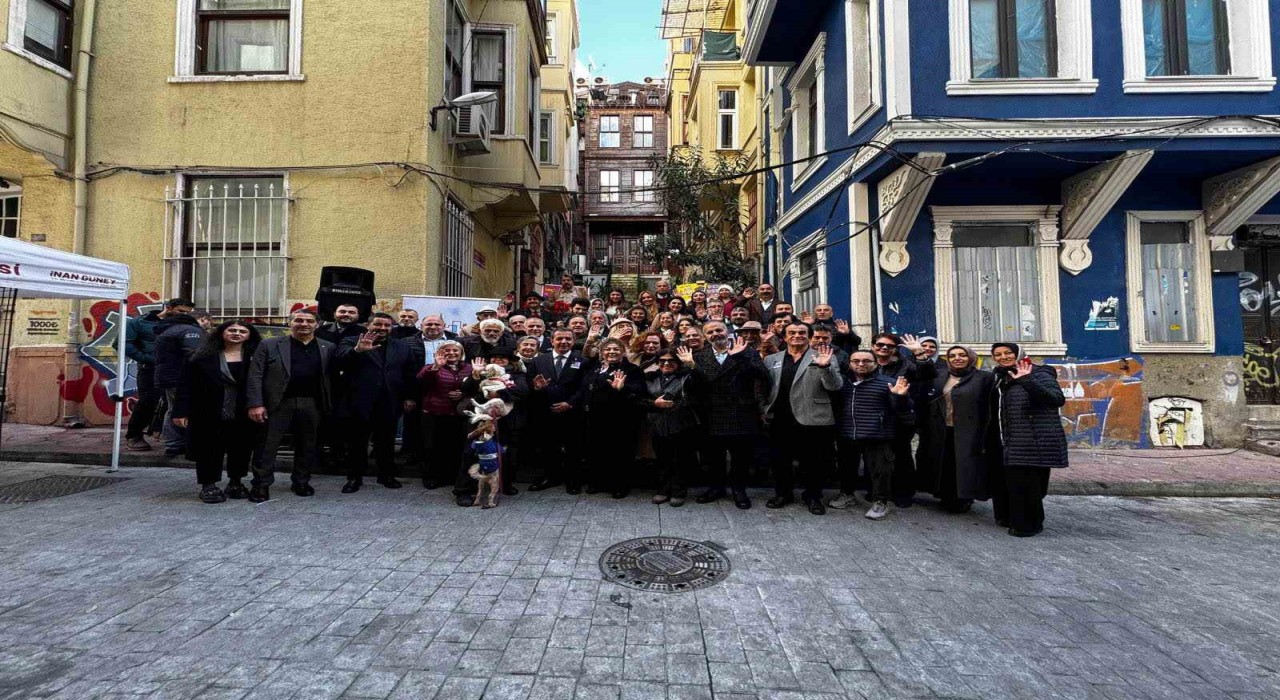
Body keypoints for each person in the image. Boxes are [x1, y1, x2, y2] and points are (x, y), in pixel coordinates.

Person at [246, 309, 335, 502]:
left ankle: (301, 481)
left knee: (307, 445)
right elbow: (255, 375)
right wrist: (256, 404)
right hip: (277, 403)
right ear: (289, 323)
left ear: (317, 325)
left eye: (309, 321)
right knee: (267, 445)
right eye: (299, 320)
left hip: (312, 403)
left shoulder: (327, 347)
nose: (304, 324)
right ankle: (261, 485)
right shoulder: (269, 344)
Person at [172, 320, 262, 503]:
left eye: (242, 331)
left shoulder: (257, 356)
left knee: (241, 448)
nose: (237, 334)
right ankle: (208, 485)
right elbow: (185, 385)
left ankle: (235, 482)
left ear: (249, 335)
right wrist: (180, 411)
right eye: (232, 330)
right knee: (208, 448)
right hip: (207, 410)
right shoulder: (201, 356)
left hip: (243, 411)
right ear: (221, 332)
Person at [761, 322, 842, 514]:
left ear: (809, 336)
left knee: (813, 462)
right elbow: (765, 386)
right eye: (792, 332)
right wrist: (764, 408)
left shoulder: (824, 356)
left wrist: (825, 367)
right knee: (780, 460)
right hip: (780, 417)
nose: (797, 335)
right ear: (784, 337)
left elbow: (835, 386)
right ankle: (783, 494)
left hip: (812, 417)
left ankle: (813, 497)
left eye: (801, 332)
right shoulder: (771, 359)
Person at [990, 343, 1067, 537]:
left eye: (1008, 352)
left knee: (1027, 485)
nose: (1003, 357)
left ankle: (1028, 525)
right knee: (1011, 483)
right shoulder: (1000, 377)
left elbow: (1056, 399)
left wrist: (1027, 380)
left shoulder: (1039, 373)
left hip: (1032, 439)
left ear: (1019, 354)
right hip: (1009, 439)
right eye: (998, 354)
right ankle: (1009, 518)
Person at [337, 313, 420, 493]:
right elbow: (339, 361)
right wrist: (357, 351)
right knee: (357, 442)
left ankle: (386, 475)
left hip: (390, 401)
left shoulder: (402, 346)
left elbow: (409, 373)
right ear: (368, 325)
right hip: (359, 401)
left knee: (386, 441)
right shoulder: (351, 341)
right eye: (378, 324)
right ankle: (354, 477)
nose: (382, 328)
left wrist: (409, 397)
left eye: (387, 325)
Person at [831, 350, 913, 520]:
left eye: (866, 361)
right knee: (846, 468)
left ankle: (880, 502)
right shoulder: (842, 382)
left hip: (877, 435)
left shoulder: (888, 383)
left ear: (876, 363)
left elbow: (902, 410)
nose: (861, 364)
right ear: (850, 363)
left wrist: (901, 397)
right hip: (847, 433)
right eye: (856, 361)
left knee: (880, 472)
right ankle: (847, 494)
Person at [692, 323, 767, 509]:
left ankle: (738, 490)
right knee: (713, 456)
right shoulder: (698, 356)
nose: (715, 334)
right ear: (705, 337)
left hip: (740, 412)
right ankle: (716, 487)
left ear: (728, 332)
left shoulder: (746, 352)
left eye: (719, 330)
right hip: (712, 413)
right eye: (710, 332)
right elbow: (699, 384)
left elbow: (762, 376)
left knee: (740, 457)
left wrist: (740, 358)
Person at [916, 345, 995, 514]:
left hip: (969, 430)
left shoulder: (984, 377)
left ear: (971, 358)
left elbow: (990, 405)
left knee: (965, 465)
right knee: (945, 464)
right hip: (941, 428)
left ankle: (963, 498)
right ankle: (945, 495)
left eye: (962, 355)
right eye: (952, 356)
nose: (957, 358)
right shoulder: (940, 375)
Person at [528, 330, 592, 494]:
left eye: (568, 339)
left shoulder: (582, 361)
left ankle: (573, 481)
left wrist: (570, 403)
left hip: (572, 412)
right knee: (548, 447)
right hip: (546, 411)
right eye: (559, 338)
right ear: (552, 340)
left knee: (573, 448)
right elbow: (529, 384)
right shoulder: (538, 360)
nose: (563, 341)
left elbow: (584, 387)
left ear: (574, 341)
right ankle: (551, 477)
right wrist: (537, 388)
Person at [125, 297, 193, 451]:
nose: (184, 315)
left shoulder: (185, 325)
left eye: (187, 313)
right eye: (181, 311)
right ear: (168, 307)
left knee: (175, 404)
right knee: (148, 401)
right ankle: (134, 435)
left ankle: (171, 438)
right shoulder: (140, 322)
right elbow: (124, 344)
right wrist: (147, 358)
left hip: (177, 369)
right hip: (150, 369)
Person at [460, 348, 527, 497]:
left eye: (503, 358)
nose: (499, 360)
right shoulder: (481, 373)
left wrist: (498, 393)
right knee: (472, 451)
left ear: (509, 361)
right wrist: (475, 375)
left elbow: (522, 391)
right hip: (482, 420)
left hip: (507, 421)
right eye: (495, 357)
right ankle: (464, 490)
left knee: (507, 453)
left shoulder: (517, 375)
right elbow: (466, 390)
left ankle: (505, 484)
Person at [584, 338, 646, 498]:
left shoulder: (632, 369)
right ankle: (599, 482)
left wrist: (623, 388)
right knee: (598, 450)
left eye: (616, 349)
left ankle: (620, 485)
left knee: (620, 453)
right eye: (607, 349)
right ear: (601, 352)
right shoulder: (595, 368)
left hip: (621, 419)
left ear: (623, 352)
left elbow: (639, 390)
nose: (611, 352)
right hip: (595, 418)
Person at [646, 348, 703, 506]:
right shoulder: (650, 377)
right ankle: (663, 490)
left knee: (681, 460)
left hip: (681, 423)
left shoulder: (687, 376)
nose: (666, 363)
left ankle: (678, 491)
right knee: (662, 459)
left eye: (671, 360)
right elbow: (639, 398)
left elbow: (702, 385)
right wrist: (653, 403)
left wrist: (692, 365)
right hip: (657, 423)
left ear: (678, 362)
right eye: (662, 360)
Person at [154, 309, 212, 456]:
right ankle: (181, 444)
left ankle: (174, 444)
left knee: (173, 408)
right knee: (184, 409)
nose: (209, 325)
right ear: (203, 319)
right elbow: (195, 355)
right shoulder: (191, 331)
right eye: (209, 322)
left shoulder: (170, 329)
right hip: (181, 377)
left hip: (167, 376)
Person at [417, 340, 468, 493]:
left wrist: (463, 393)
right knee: (433, 446)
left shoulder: (469, 368)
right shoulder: (430, 367)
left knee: (455, 446)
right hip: (435, 412)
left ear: (461, 353)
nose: (451, 353)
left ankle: (451, 476)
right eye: (447, 350)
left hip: (459, 414)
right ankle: (432, 477)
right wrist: (436, 367)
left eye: (455, 350)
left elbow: (475, 387)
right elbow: (421, 384)